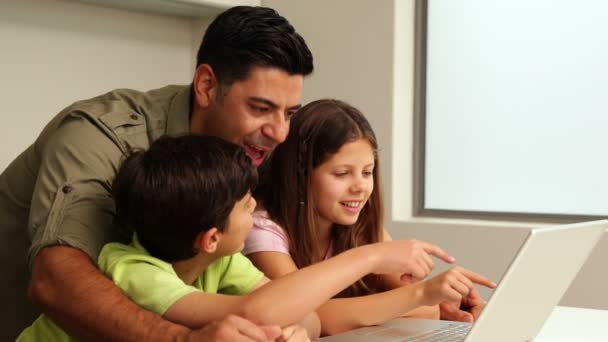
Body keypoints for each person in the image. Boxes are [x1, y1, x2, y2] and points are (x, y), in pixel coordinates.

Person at [0, 6, 314, 341]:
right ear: (207, 85)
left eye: (290, 113)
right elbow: (54, 280)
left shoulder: (244, 153)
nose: (280, 133)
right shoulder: (99, 136)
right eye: (260, 108)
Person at [19, 134, 480, 341]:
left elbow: (305, 314)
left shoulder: (222, 261)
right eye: (246, 205)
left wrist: (297, 328)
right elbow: (251, 311)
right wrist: (370, 257)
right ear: (211, 237)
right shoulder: (133, 270)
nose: (256, 211)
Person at [243, 99, 496, 335]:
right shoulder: (263, 231)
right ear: (299, 176)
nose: (360, 187)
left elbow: (426, 308)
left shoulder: (361, 226)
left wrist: (443, 299)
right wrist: (421, 294)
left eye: (367, 172)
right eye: (342, 173)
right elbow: (310, 316)